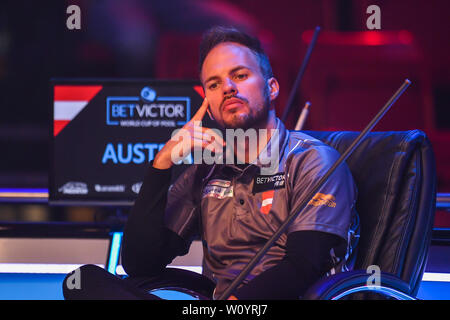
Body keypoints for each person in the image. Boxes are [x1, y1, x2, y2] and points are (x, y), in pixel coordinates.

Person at [63, 26, 359, 300]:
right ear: (208, 103)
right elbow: (141, 263)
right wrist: (161, 164)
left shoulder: (313, 160)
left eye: (240, 76)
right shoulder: (207, 170)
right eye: (214, 84)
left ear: (272, 88)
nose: (228, 87)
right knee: (84, 280)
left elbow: (303, 266)